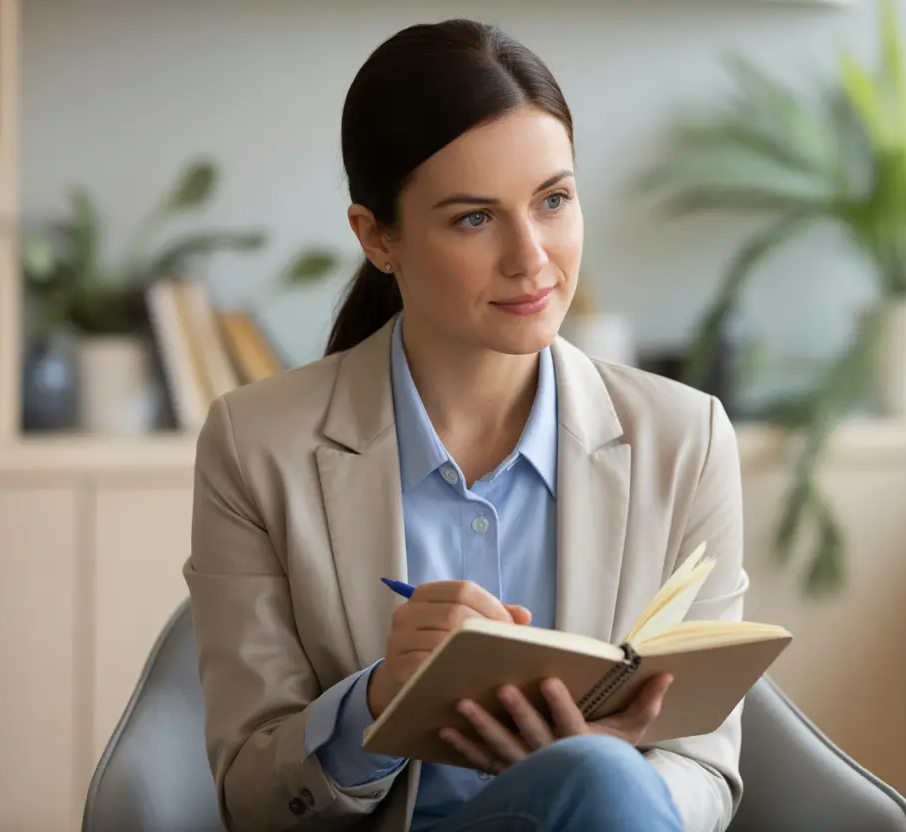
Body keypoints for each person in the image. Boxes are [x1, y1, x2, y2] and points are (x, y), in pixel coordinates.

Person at [184, 18, 748, 832]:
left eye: (553, 200)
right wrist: (379, 701)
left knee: (597, 773)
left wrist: (605, 769)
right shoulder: (256, 444)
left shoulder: (685, 439)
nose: (533, 258)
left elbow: (705, 768)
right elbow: (250, 795)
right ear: (378, 237)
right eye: (475, 218)